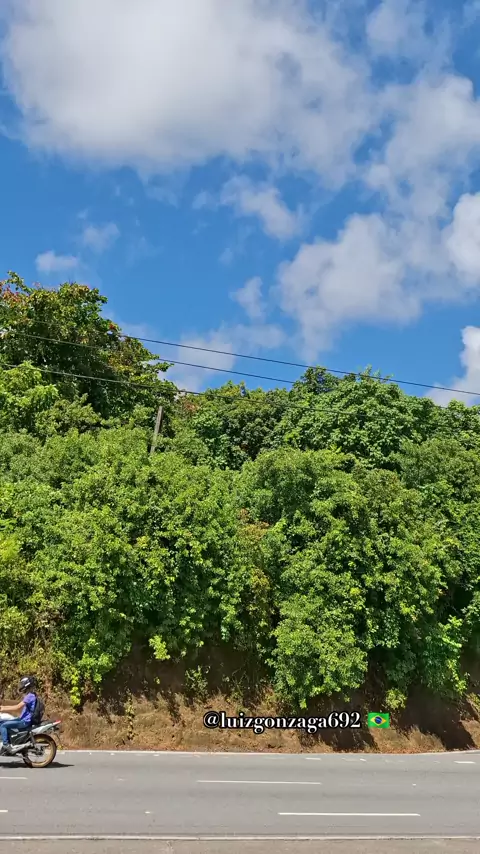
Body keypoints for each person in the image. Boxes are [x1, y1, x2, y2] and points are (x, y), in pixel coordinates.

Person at [0, 677, 38, 755]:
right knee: (2, 722)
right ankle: (10, 742)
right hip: (22, 719)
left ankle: (6, 745)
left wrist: (3, 709)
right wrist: (2, 707)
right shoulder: (29, 695)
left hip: (24, 721)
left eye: (22, 684)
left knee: (3, 726)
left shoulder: (30, 696)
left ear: (26, 685)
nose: (21, 686)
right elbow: (16, 706)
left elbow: (17, 707)